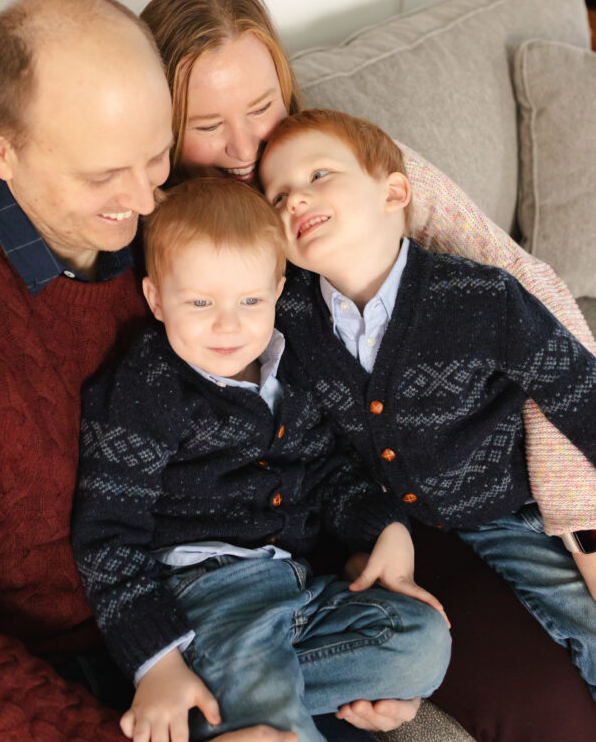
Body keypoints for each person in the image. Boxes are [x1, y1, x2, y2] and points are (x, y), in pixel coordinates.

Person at [141, 0, 596, 735]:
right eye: (206, 125)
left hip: (497, 497)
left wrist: (581, 520)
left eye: (262, 108)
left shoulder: (354, 166)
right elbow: (292, 445)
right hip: (355, 524)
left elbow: (544, 327)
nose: (248, 148)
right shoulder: (204, 268)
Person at [0, 0, 294, 742]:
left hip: (210, 611)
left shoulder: (171, 227)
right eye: (102, 177)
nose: (145, 204)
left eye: (155, 159)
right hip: (51, 676)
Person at [71, 176, 452, 742]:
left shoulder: (290, 367)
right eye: (199, 302)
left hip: (295, 588)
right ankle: (223, 695)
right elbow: (105, 537)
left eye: (250, 301)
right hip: (207, 591)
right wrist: (158, 661)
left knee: (421, 643)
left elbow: (328, 471)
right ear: (156, 299)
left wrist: (386, 529)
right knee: (270, 720)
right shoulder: (147, 387)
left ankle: (220, 703)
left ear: (276, 291)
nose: (228, 325)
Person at [257, 107, 596, 694]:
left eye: (317, 176)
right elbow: (323, 456)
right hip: (425, 523)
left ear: (395, 192)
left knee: (588, 622)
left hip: (515, 504)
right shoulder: (290, 327)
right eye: (276, 195)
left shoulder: (478, 295)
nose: (293, 201)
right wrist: (379, 525)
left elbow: (577, 387)